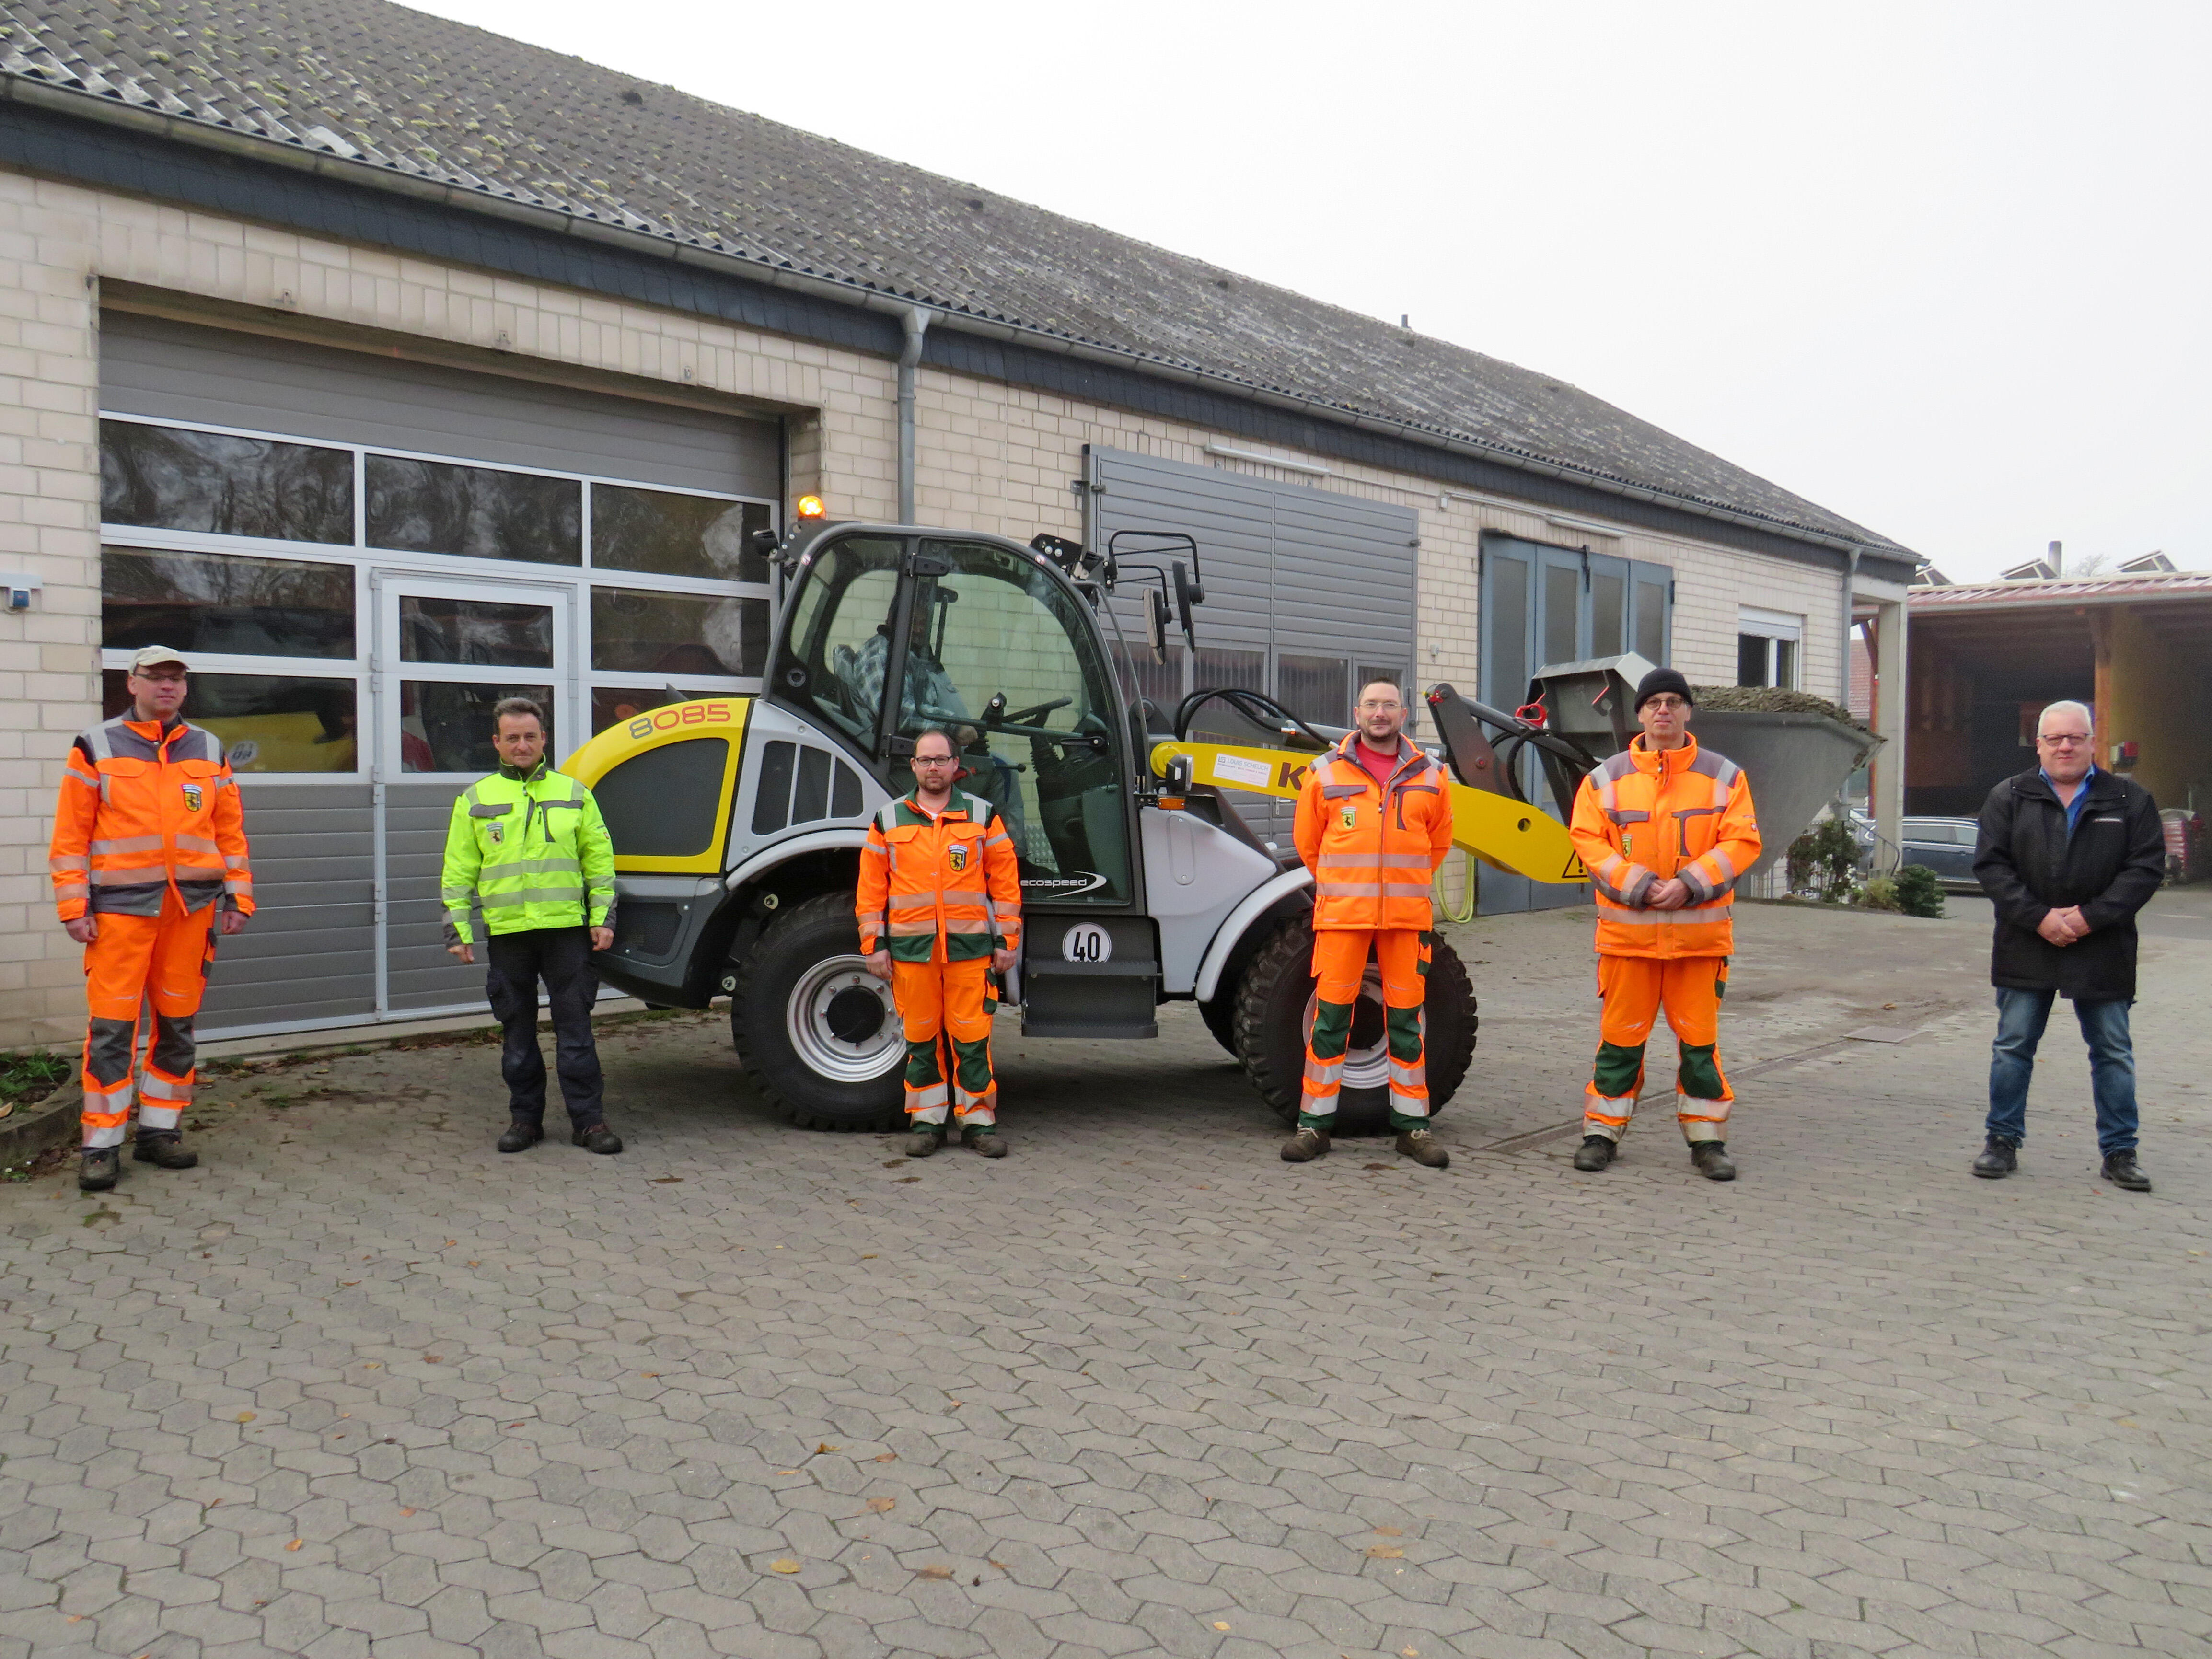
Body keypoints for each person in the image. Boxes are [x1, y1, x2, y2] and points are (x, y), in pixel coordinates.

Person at [52, 646, 253, 1192]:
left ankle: (159, 1132)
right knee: (113, 1029)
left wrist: (237, 899)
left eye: (176, 679)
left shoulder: (208, 747)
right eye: (156, 677)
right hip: (119, 914)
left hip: (190, 911)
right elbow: (70, 838)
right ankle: (101, 1143)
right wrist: (75, 907)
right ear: (133, 683)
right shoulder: (95, 746)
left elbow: (229, 832)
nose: (167, 686)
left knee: (177, 1026)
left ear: (185, 689)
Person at [1566, 668, 1760, 1181]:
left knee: (1699, 1047)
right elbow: (1587, 840)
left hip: (1697, 943)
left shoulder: (1725, 776)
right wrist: (1639, 885)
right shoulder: (1605, 778)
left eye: (1675, 702)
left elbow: (1741, 842)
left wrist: (1689, 883)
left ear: (1688, 711)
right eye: (1655, 703)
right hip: (1629, 941)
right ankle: (1600, 1135)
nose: (1664, 711)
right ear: (1641, 714)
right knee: (1619, 1043)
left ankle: (1707, 1141)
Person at [1970, 699, 2163, 1191]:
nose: (2064, 746)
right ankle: (2001, 1142)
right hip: (2026, 942)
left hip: (2101, 946)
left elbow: (2144, 870)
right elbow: (1991, 867)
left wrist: (2087, 918)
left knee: (2112, 1051)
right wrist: (2038, 918)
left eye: (2074, 737)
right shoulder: (2008, 796)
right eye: (2054, 738)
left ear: (2092, 741)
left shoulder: (2129, 800)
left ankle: (2121, 1152)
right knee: (2012, 1047)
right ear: (2038, 744)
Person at [1283, 678, 1456, 1168]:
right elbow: (1309, 843)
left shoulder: (1433, 775)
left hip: (1404, 921)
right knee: (1330, 1019)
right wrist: (1349, 886)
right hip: (1342, 920)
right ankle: (1313, 1127)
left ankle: (1413, 1129)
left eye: (1389, 705)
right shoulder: (1323, 773)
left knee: (1406, 1023)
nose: (1380, 713)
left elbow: (1438, 842)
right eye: (1371, 705)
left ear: (1403, 714)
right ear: (1357, 712)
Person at [441, 697, 623, 1155]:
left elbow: (599, 862)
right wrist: (457, 930)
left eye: (530, 736)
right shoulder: (475, 799)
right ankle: (525, 1121)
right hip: (509, 934)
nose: (521, 745)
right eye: (512, 738)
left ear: (544, 740)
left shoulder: (575, 793)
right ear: (497, 743)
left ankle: (589, 1122)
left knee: (576, 1031)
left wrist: (603, 918)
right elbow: (458, 871)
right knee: (517, 1035)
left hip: (567, 933)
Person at [857, 726, 1022, 1158]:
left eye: (941, 760)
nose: (933, 767)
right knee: (921, 1038)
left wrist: (1007, 940)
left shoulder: (984, 817)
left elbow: (1005, 885)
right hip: (913, 955)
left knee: (971, 1039)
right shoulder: (887, 820)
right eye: (924, 760)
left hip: (971, 954)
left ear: (956, 766)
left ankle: (978, 1125)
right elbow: (871, 890)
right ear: (913, 766)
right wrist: (873, 946)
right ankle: (928, 1122)